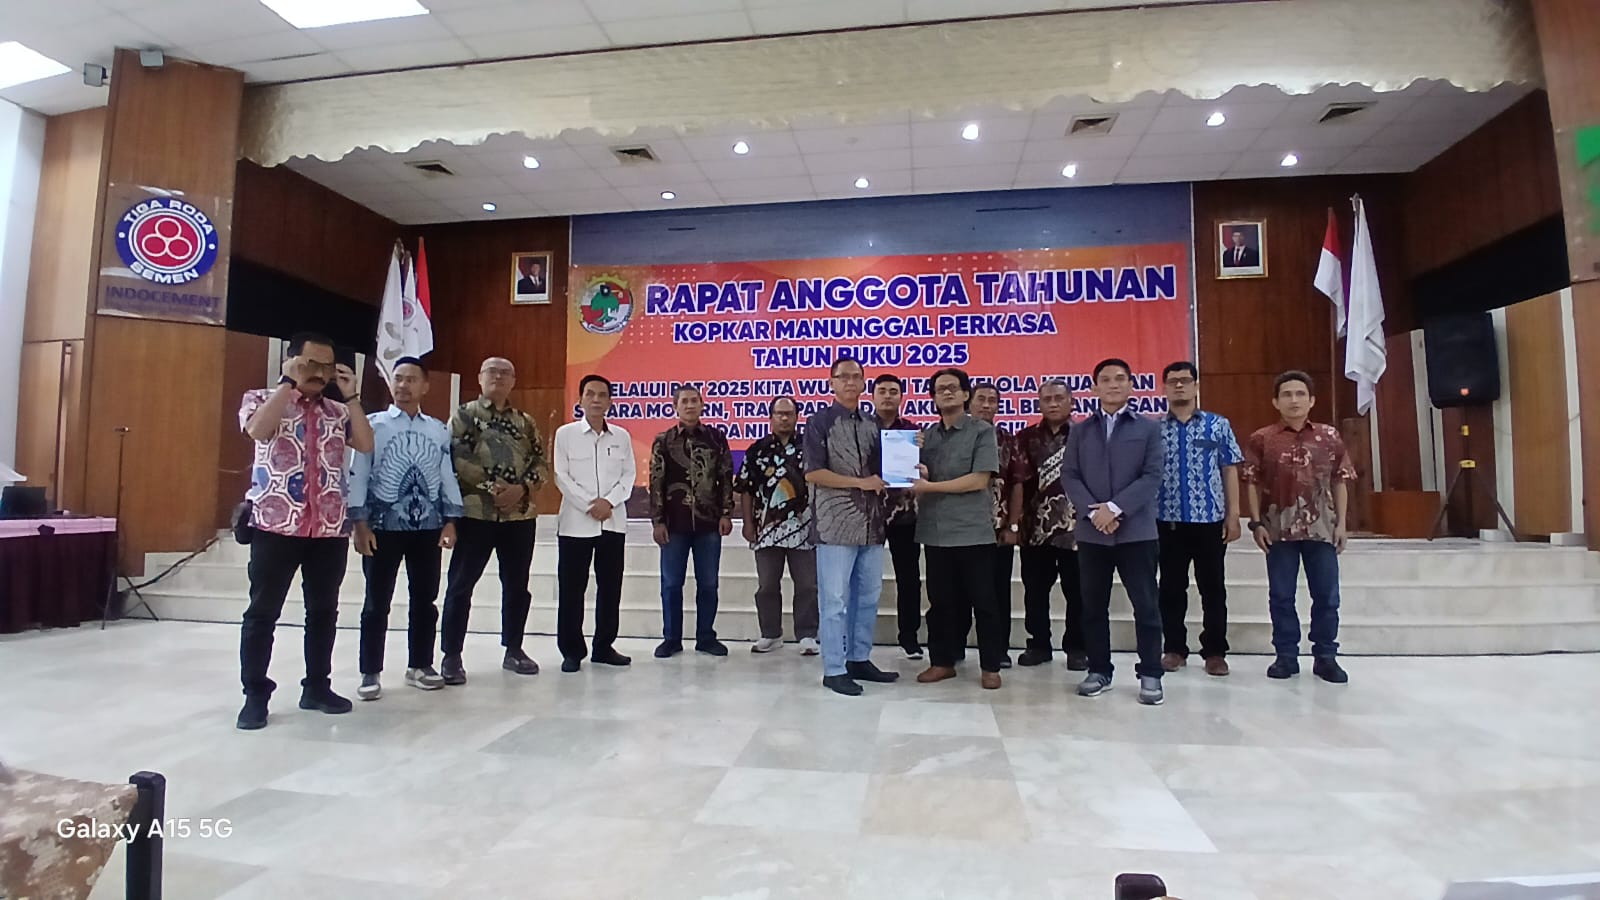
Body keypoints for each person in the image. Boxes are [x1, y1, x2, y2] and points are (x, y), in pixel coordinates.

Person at [235, 332, 375, 730]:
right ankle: (255, 695)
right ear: (291, 360)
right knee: (263, 613)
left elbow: (366, 444)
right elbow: (258, 431)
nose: (318, 373)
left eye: (326, 367)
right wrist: (286, 384)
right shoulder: (261, 398)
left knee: (323, 612)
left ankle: (317, 687)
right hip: (275, 525)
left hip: (327, 528)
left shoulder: (338, 410)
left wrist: (351, 396)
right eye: (310, 364)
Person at [349, 358, 463, 700]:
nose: (403, 385)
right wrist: (359, 523)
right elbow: (359, 474)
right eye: (398, 378)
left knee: (425, 600)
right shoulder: (372, 425)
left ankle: (420, 664)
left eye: (411, 379)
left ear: (425, 386)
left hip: (427, 527)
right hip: (382, 526)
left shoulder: (438, 429)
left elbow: (446, 474)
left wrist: (451, 519)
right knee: (376, 601)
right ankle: (370, 671)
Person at [1063, 357, 1166, 706]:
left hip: (1136, 531)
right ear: (1094, 387)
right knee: (1093, 606)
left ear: (1131, 385)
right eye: (1105, 379)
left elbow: (1152, 475)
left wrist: (1116, 508)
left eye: (1120, 378)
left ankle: (1150, 673)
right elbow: (1070, 475)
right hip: (1093, 532)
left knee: (1146, 606)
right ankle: (1099, 670)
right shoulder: (1080, 430)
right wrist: (1096, 512)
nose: (1113, 385)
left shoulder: (1149, 428)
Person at [1242, 370, 1356, 684]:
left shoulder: (1329, 436)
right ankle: (1286, 656)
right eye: (1287, 394)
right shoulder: (1262, 438)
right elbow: (1251, 482)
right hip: (1277, 531)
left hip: (1322, 529)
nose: (1294, 400)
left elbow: (1340, 480)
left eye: (1300, 394)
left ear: (1312, 400)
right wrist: (1255, 523)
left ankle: (1326, 657)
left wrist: (1342, 524)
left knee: (1327, 597)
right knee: (1281, 596)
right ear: (1276, 402)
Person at [439, 357, 546, 683]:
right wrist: (493, 488)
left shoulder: (525, 422)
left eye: (505, 373)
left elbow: (540, 462)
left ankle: (514, 649)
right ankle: (451, 656)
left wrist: (521, 489)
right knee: (461, 585)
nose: (498, 377)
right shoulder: (465, 415)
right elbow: (457, 458)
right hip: (476, 514)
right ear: (480, 377)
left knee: (517, 587)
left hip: (519, 516)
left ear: (513, 381)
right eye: (492, 372)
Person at [804, 357, 898, 696]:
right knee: (835, 600)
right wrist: (860, 483)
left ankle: (859, 658)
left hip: (871, 525)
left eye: (856, 377)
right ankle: (834, 669)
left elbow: (886, 470)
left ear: (863, 383)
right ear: (831, 382)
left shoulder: (873, 424)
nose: (850, 382)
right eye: (843, 377)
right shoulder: (819, 422)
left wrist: (912, 465)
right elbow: (813, 473)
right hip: (835, 526)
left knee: (868, 597)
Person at [914, 368, 1006, 690]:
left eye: (953, 387)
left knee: (984, 602)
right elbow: (917, 480)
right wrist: (917, 467)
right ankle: (942, 662)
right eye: (940, 389)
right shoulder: (926, 436)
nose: (947, 393)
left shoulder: (982, 431)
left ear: (966, 395)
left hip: (972, 531)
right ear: (933, 398)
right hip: (936, 532)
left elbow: (979, 480)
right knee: (940, 603)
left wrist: (931, 486)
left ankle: (990, 666)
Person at [1156, 362, 1244, 677]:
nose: (1179, 386)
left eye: (1185, 380)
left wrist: (1234, 515)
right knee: (1170, 588)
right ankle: (1174, 648)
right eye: (1172, 381)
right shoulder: (1154, 429)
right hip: (1167, 521)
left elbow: (1229, 469)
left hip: (1209, 521)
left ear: (1196, 385)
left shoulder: (1217, 425)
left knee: (1213, 588)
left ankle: (1215, 652)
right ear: (1164, 388)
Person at [552, 374, 636, 673]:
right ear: (580, 400)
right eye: (590, 394)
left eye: (602, 395)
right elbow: (561, 476)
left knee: (610, 588)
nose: (596, 400)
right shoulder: (566, 434)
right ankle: (572, 651)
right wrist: (591, 504)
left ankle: (604, 646)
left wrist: (608, 503)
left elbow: (628, 476)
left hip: (612, 523)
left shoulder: (621, 436)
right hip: (576, 524)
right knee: (572, 590)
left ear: (610, 401)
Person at [649, 385, 734, 658]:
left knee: (708, 583)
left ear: (702, 405)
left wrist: (726, 512)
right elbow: (656, 482)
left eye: (694, 400)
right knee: (671, 584)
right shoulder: (664, 441)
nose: (689, 405)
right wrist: (657, 521)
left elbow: (725, 477)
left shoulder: (716, 438)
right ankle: (671, 638)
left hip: (709, 523)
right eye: (684, 401)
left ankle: (706, 637)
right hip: (674, 524)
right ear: (675, 406)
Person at [1011, 379, 1087, 670]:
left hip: (1075, 531)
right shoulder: (1025, 437)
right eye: (1047, 399)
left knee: (1077, 592)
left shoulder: (1086, 435)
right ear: (1039, 404)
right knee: (1035, 591)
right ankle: (1038, 645)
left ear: (1071, 402)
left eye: (1059, 398)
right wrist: (1014, 524)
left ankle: (1077, 648)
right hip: (1035, 530)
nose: (1053, 403)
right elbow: (1018, 482)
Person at [735, 396, 819, 655]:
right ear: (770, 417)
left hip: (803, 528)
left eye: (789, 414)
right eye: (779, 414)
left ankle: (807, 635)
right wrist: (747, 523)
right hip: (766, 529)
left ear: (797, 417)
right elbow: (746, 489)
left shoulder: (810, 447)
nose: (784, 418)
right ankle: (770, 634)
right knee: (767, 585)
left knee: (807, 585)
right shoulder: (757, 449)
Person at [871, 373, 924, 660]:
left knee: (909, 579)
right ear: (873, 396)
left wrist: (921, 458)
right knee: (864, 579)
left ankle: (909, 637)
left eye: (893, 391)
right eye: (882, 391)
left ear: (902, 397)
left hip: (905, 516)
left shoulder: (912, 432)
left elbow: (923, 468)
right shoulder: (862, 429)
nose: (888, 396)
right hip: (869, 515)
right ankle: (858, 637)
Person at [970, 381, 1016, 669]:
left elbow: (1017, 484)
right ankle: (955, 647)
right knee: (960, 592)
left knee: (998, 590)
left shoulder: (1008, 440)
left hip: (997, 528)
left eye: (992, 400)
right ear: (969, 402)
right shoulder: (956, 436)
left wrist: (1012, 526)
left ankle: (999, 650)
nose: (987, 405)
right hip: (962, 528)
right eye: (981, 399)